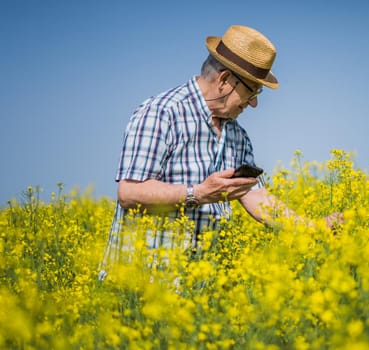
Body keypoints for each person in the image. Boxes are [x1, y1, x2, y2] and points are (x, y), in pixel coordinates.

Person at [99, 25, 339, 278]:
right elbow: (129, 192)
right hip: (141, 283)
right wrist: (199, 193)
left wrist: (311, 228)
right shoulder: (162, 113)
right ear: (224, 80)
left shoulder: (236, 134)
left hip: (199, 289)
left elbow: (254, 195)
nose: (254, 103)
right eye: (252, 91)